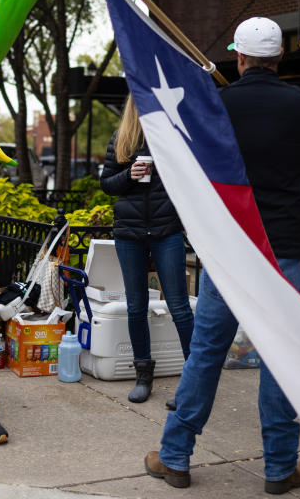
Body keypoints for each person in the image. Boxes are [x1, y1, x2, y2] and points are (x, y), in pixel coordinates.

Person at [145, 17, 300, 495]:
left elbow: (199, 167)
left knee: (206, 351)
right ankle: (280, 466)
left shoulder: (217, 104)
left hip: (230, 245)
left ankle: (175, 456)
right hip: (285, 244)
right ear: (279, 56)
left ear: (240, 58)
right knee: (281, 357)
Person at [100, 96, 194, 404]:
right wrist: (129, 175)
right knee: (136, 306)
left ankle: (195, 380)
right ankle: (143, 375)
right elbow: (107, 184)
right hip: (130, 233)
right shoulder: (123, 137)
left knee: (179, 306)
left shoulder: (174, 134)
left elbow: (191, 181)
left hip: (167, 230)